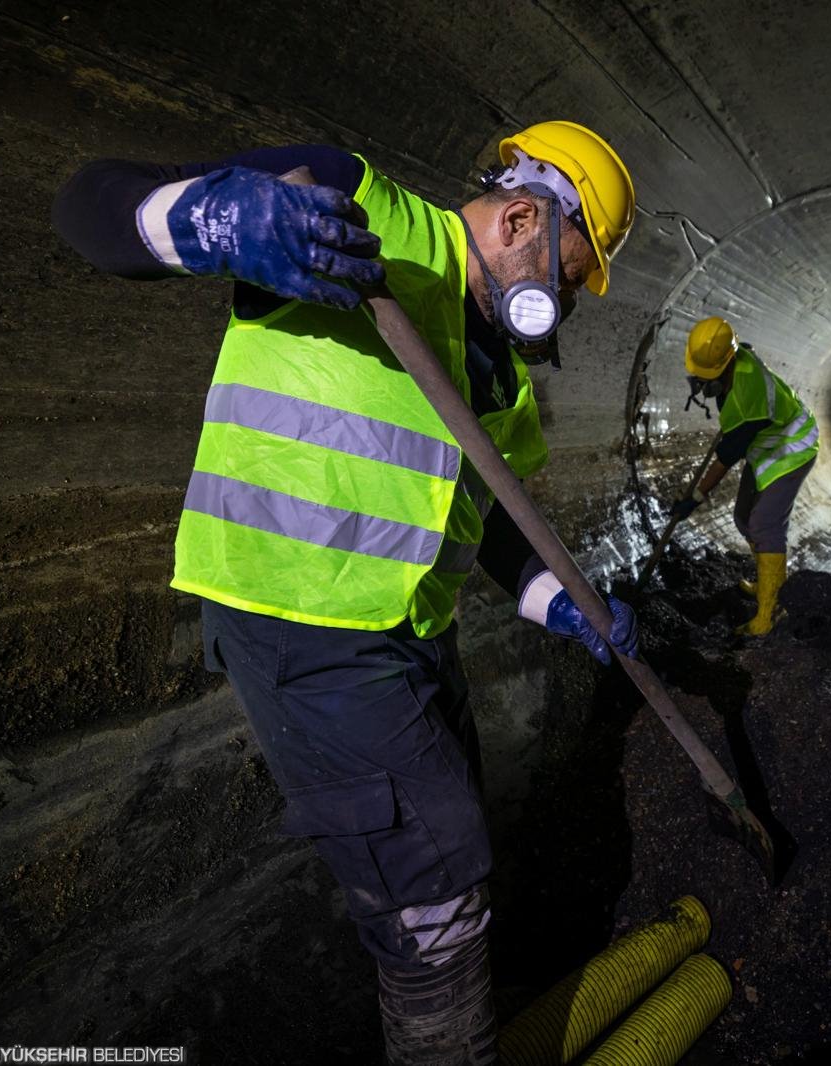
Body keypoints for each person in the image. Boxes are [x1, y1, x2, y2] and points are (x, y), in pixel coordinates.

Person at [52, 122, 639, 1065]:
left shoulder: (502, 382)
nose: (563, 305)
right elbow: (89, 205)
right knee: (433, 890)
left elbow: (490, 521)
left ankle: (470, 1011)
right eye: (568, 280)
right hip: (301, 619)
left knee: (453, 839)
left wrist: (559, 603)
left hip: (411, 634)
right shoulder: (350, 209)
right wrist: (222, 222)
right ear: (523, 218)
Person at [672, 316, 818, 635]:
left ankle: (770, 612)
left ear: (725, 365)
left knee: (765, 525)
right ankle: (769, 583)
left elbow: (723, 461)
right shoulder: (736, 357)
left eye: (707, 378)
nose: (701, 384)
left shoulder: (746, 398)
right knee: (743, 518)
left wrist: (694, 499)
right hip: (767, 447)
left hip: (793, 447)